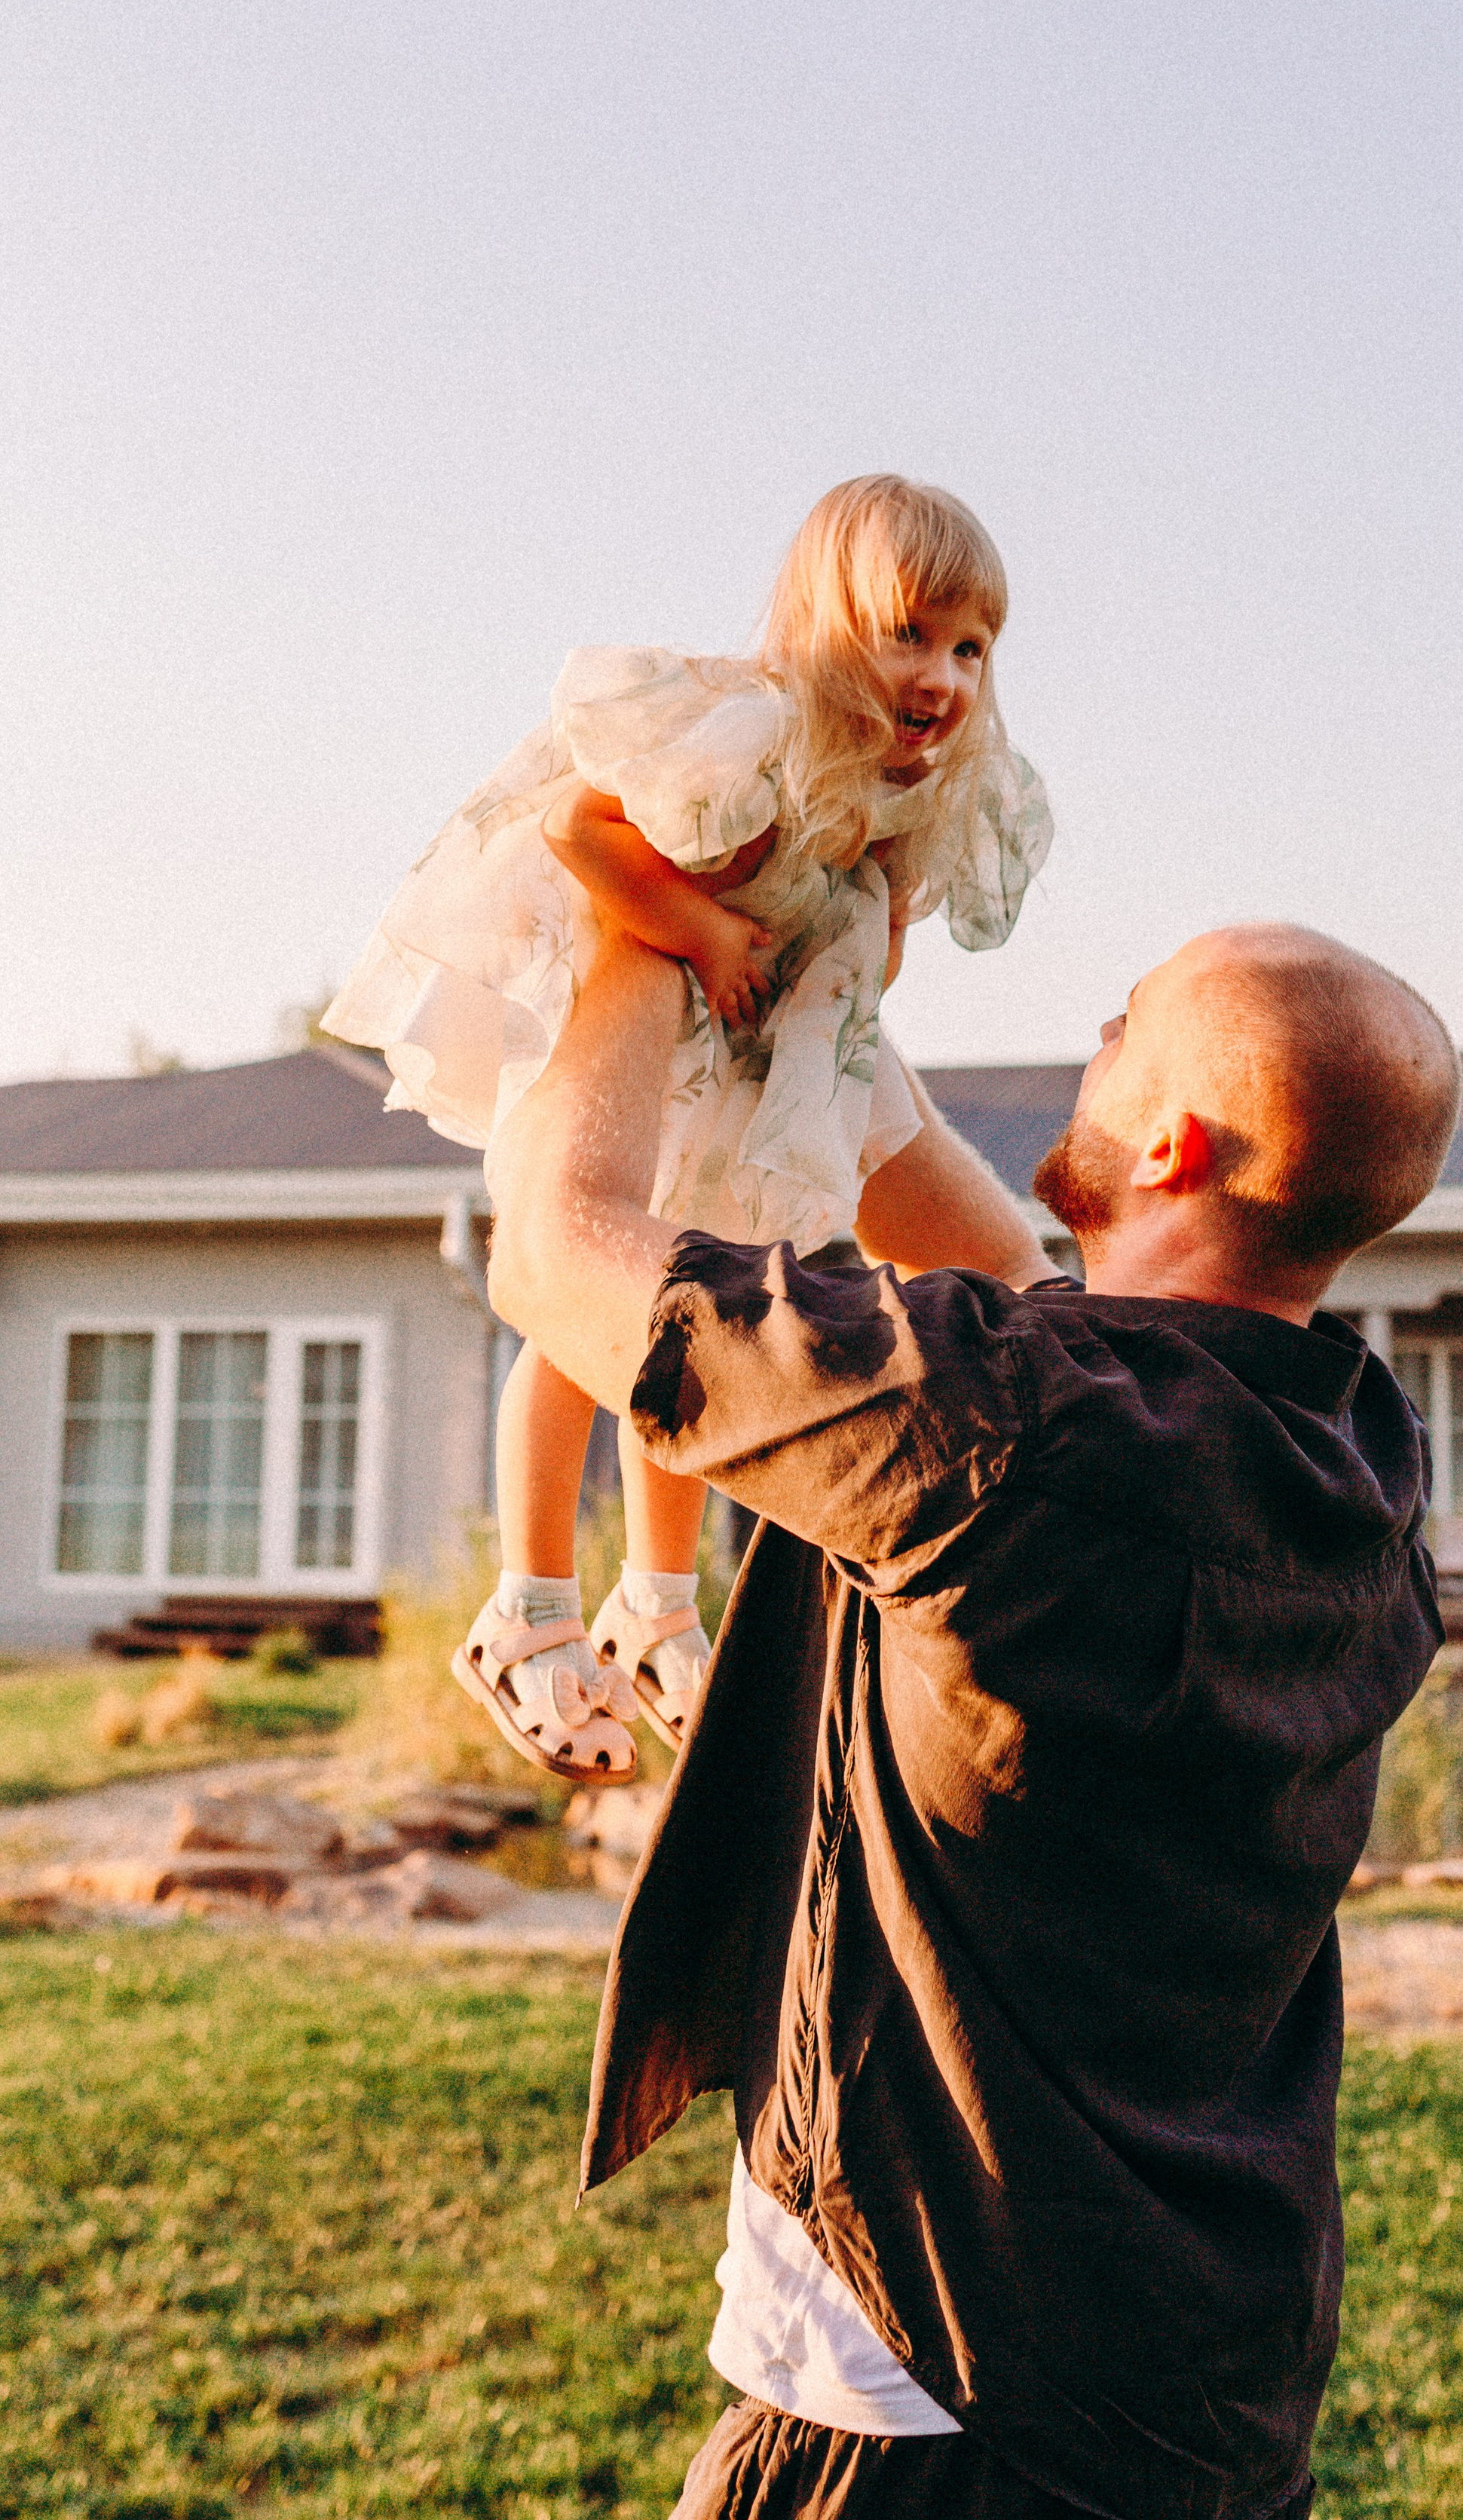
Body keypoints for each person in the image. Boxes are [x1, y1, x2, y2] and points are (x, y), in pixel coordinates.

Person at [483, 914, 1461, 2519]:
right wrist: (815, 979)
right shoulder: (1350, 1465)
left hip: (923, 2396)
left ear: (1171, 1142)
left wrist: (644, 925)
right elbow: (964, 1222)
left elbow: (550, 1245)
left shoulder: (1003, 1428)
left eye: (1123, 1023)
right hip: (1203, 2379)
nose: (1094, 1035)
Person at [324, 476, 1052, 1784]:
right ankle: (528, 1603)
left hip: (762, 1058)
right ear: (829, 625)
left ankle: (656, 1602)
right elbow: (577, 828)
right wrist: (705, 930)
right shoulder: (755, 733)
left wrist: (867, 926)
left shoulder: (911, 785)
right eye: (909, 633)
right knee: (581, 1318)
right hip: (662, 1029)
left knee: (694, 1322)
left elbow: (873, 941)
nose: (942, 675)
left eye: (969, 648)